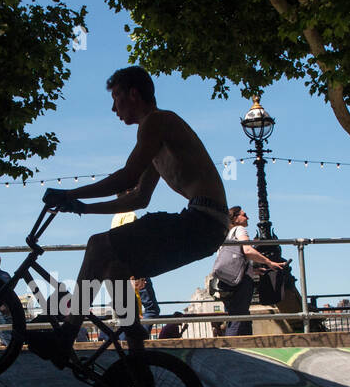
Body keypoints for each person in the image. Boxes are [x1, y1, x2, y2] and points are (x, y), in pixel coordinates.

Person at [28, 66, 233, 366]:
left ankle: (66, 336)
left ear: (134, 94)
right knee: (116, 271)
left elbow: (126, 177)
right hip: (206, 227)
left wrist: (71, 195)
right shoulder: (156, 137)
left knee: (98, 246)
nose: (113, 108)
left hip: (200, 220)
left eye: (116, 98)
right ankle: (137, 356)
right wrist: (84, 208)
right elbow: (138, 197)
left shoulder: (156, 121)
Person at [214, 207, 286, 337]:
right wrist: (269, 262)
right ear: (236, 218)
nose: (247, 217)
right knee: (239, 317)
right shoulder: (240, 230)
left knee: (239, 316)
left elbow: (234, 261)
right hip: (240, 282)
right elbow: (247, 250)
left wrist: (254, 270)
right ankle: (232, 348)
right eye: (244, 215)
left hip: (226, 281)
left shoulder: (226, 236)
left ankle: (246, 345)